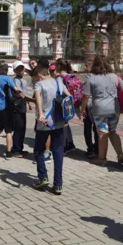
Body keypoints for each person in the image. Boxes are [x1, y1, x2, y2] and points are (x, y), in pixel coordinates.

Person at [80, 55, 123, 166]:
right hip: (114, 109)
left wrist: (83, 109)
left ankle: (102, 158)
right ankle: (120, 154)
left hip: (99, 110)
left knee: (102, 133)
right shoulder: (115, 77)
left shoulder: (91, 78)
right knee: (113, 132)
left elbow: (86, 96)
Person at [33, 65, 72, 195]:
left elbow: (38, 98)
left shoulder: (39, 84)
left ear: (39, 74)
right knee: (58, 152)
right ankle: (58, 184)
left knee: (38, 150)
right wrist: (68, 116)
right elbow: (69, 97)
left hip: (45, 121)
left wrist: (40, 114)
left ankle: (43, 177)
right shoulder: (59, 82)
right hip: (59, 121)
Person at [53, 59, 79, 153]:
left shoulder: (60, 78)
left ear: (59, 66)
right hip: (70, 102)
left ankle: (63, 146)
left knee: (63, 125)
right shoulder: (71, 76)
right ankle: (70, 143)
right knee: (66, 124)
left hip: (62, 103)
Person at [10, 61, 33, 158]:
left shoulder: (24, 80)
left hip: (22, 105)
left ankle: (20, 148)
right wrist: (32, 100)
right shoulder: (15, 81)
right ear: (15, 70)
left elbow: (25, 92)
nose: (21, 70)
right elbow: (19, 93)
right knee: (18, 128)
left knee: (22, 128)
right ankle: (15, 149)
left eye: (22, 68)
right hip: (16, 107)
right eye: (18, 69)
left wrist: (28, 103)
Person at [82, 59, 99, 158]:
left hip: (89, 106)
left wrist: (82, 108)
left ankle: (90, 149)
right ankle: (97, 149)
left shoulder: (89, 78)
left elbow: (86, 95)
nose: (85, 68)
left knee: (87, 128)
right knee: (96, 128)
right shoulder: (101, 77)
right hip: (99, 106)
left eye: (87, 65)